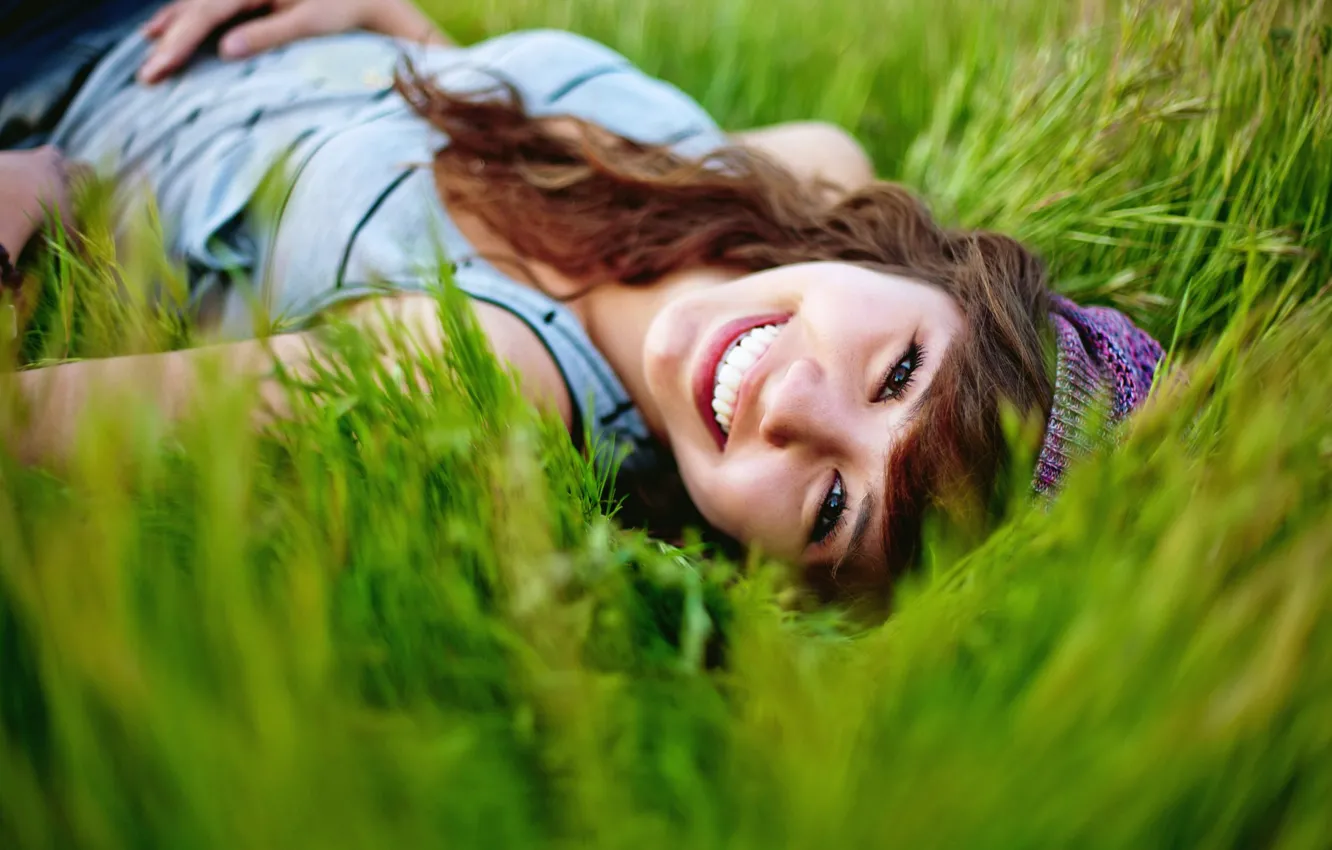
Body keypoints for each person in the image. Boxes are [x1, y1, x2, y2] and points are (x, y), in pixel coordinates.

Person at [0, 0, 1163, 600]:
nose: (796, 402)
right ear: (933, 275)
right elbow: (477, 154)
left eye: (829, 508)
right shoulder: (807, 171)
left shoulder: (485, 372)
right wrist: (398, 32)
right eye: (900, 371)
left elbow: (33, 421)